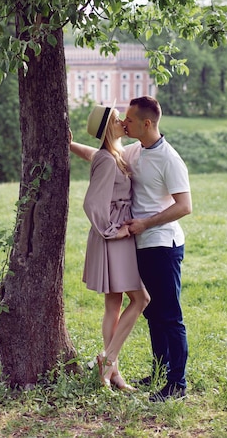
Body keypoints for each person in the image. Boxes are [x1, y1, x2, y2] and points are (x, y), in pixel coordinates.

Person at [71, 96, 192, 402]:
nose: (124, 122)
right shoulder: (134, 150)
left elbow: (185, 206)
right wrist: (70, 145)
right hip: (134, 241)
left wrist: (144, 224)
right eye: (119, 119)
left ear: (146, 123)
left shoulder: (169, 159)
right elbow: (103, 157)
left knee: (167, 315)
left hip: (161, 242)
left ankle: (176, 383)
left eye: (129, 119)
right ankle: (158, 371)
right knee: (152, 312)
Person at [71, 102, 150, 391]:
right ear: (109, 128)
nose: (123, 123)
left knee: (114, 304)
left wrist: (71, 145)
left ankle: (111, 370)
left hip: (119, 234)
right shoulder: (107, 158)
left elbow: (93, 154)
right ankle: (109, 361)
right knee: (140, 299)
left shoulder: (114, 153)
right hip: (113, 236)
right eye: (118, 120)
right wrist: (112, 232)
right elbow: (92, 202)